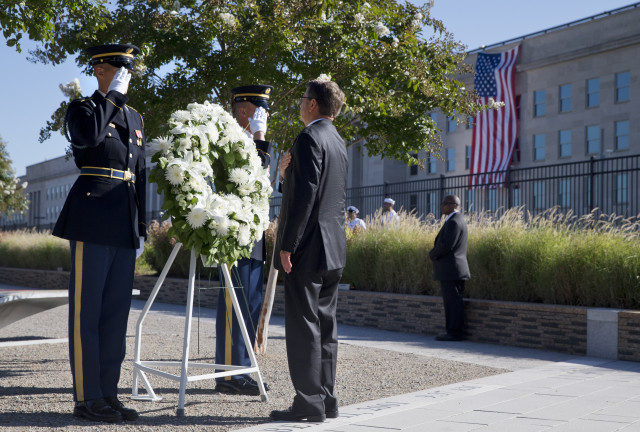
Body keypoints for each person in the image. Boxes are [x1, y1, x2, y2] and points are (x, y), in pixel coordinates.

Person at [52, 43, 146, 423]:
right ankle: (86, 397)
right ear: (100, 71)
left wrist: (140, 227)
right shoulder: (83, 109)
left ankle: (109, 393)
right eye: (118, 69)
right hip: (91, 215)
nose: (124, 75)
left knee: (114, 316)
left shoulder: (135, 118)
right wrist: (114, 97)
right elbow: (89, 139)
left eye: (127, 70)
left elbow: (140, 173)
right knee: (86, 314)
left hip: (122, 220)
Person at [270, 79, 348, 423]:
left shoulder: (308, 138)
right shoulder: (338, 141)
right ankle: (327, 399)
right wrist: (286, 176)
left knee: (304, 327)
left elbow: (305, 198)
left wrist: (288, 245)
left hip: (308, 249)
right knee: (326, 327)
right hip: (333, 248)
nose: (300, 104)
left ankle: (308, 402)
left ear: (314, 104)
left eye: (303, 99)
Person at [214, 84, 273, 396]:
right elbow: (251, 178)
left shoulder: (251, 142)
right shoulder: (230, 142)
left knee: (249, 305)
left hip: (253, 233)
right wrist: (261, 139)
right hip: (235, 234)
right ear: (242, 111)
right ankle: (227, 374)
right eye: (258, 110)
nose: (264, 116)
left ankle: (243, 368)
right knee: (233, 304)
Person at [428, 195, 470, 341]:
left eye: (444, 203)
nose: (441, 206)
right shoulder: (457, 220)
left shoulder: (453, 222)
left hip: (451, 269)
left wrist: (431, 254)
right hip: (454, 269)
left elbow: (446, 245)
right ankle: (454, 331)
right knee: (454, 302)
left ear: (453, 205)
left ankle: (454, 333)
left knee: (452, 303)